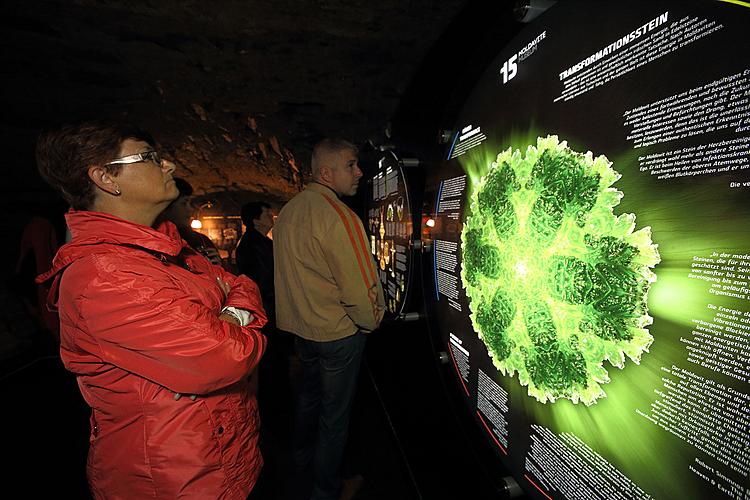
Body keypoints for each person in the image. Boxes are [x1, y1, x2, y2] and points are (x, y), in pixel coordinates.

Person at [34, 121, 267, 499]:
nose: (169, 166)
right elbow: (224, 355)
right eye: (151, 158)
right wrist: (230, 320)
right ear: (106, 178)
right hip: (171, 478)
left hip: (220, 458)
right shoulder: (106, 275)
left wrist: (229, 316)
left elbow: (242, 284)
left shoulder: (166, 249)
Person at [273, 138, 385, 500]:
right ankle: (327, 489)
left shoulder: (289, 212)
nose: (359, 173)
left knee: (307, 402)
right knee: (333, 419)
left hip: (303, 333)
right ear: (326, 172)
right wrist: (372, 322)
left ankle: (300, 467)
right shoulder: (339, 216)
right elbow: (359, 285)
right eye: (351, 165)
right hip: (337, 335)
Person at [157, 177, 223, 266]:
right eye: (184, 203)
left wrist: (216, 268)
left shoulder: (200, 240)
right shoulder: (153, 242)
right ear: (165, 207)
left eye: (190, 203)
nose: (190, 209)